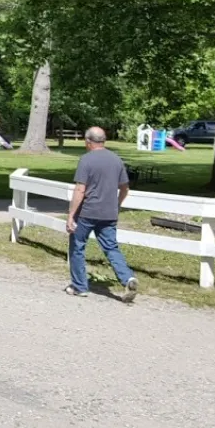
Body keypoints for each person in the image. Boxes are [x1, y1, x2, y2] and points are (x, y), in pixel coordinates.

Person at [65, 126, 138, 302]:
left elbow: (80, 189)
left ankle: (79, 286)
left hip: (87, 212)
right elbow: (125, 188)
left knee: (77, 246)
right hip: (109, 213)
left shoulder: (86, 160)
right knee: (111, 247)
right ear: (103, 141)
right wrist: (117, 204)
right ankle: (127, 278)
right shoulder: (116, 160)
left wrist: (70, 215)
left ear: (88, 141)